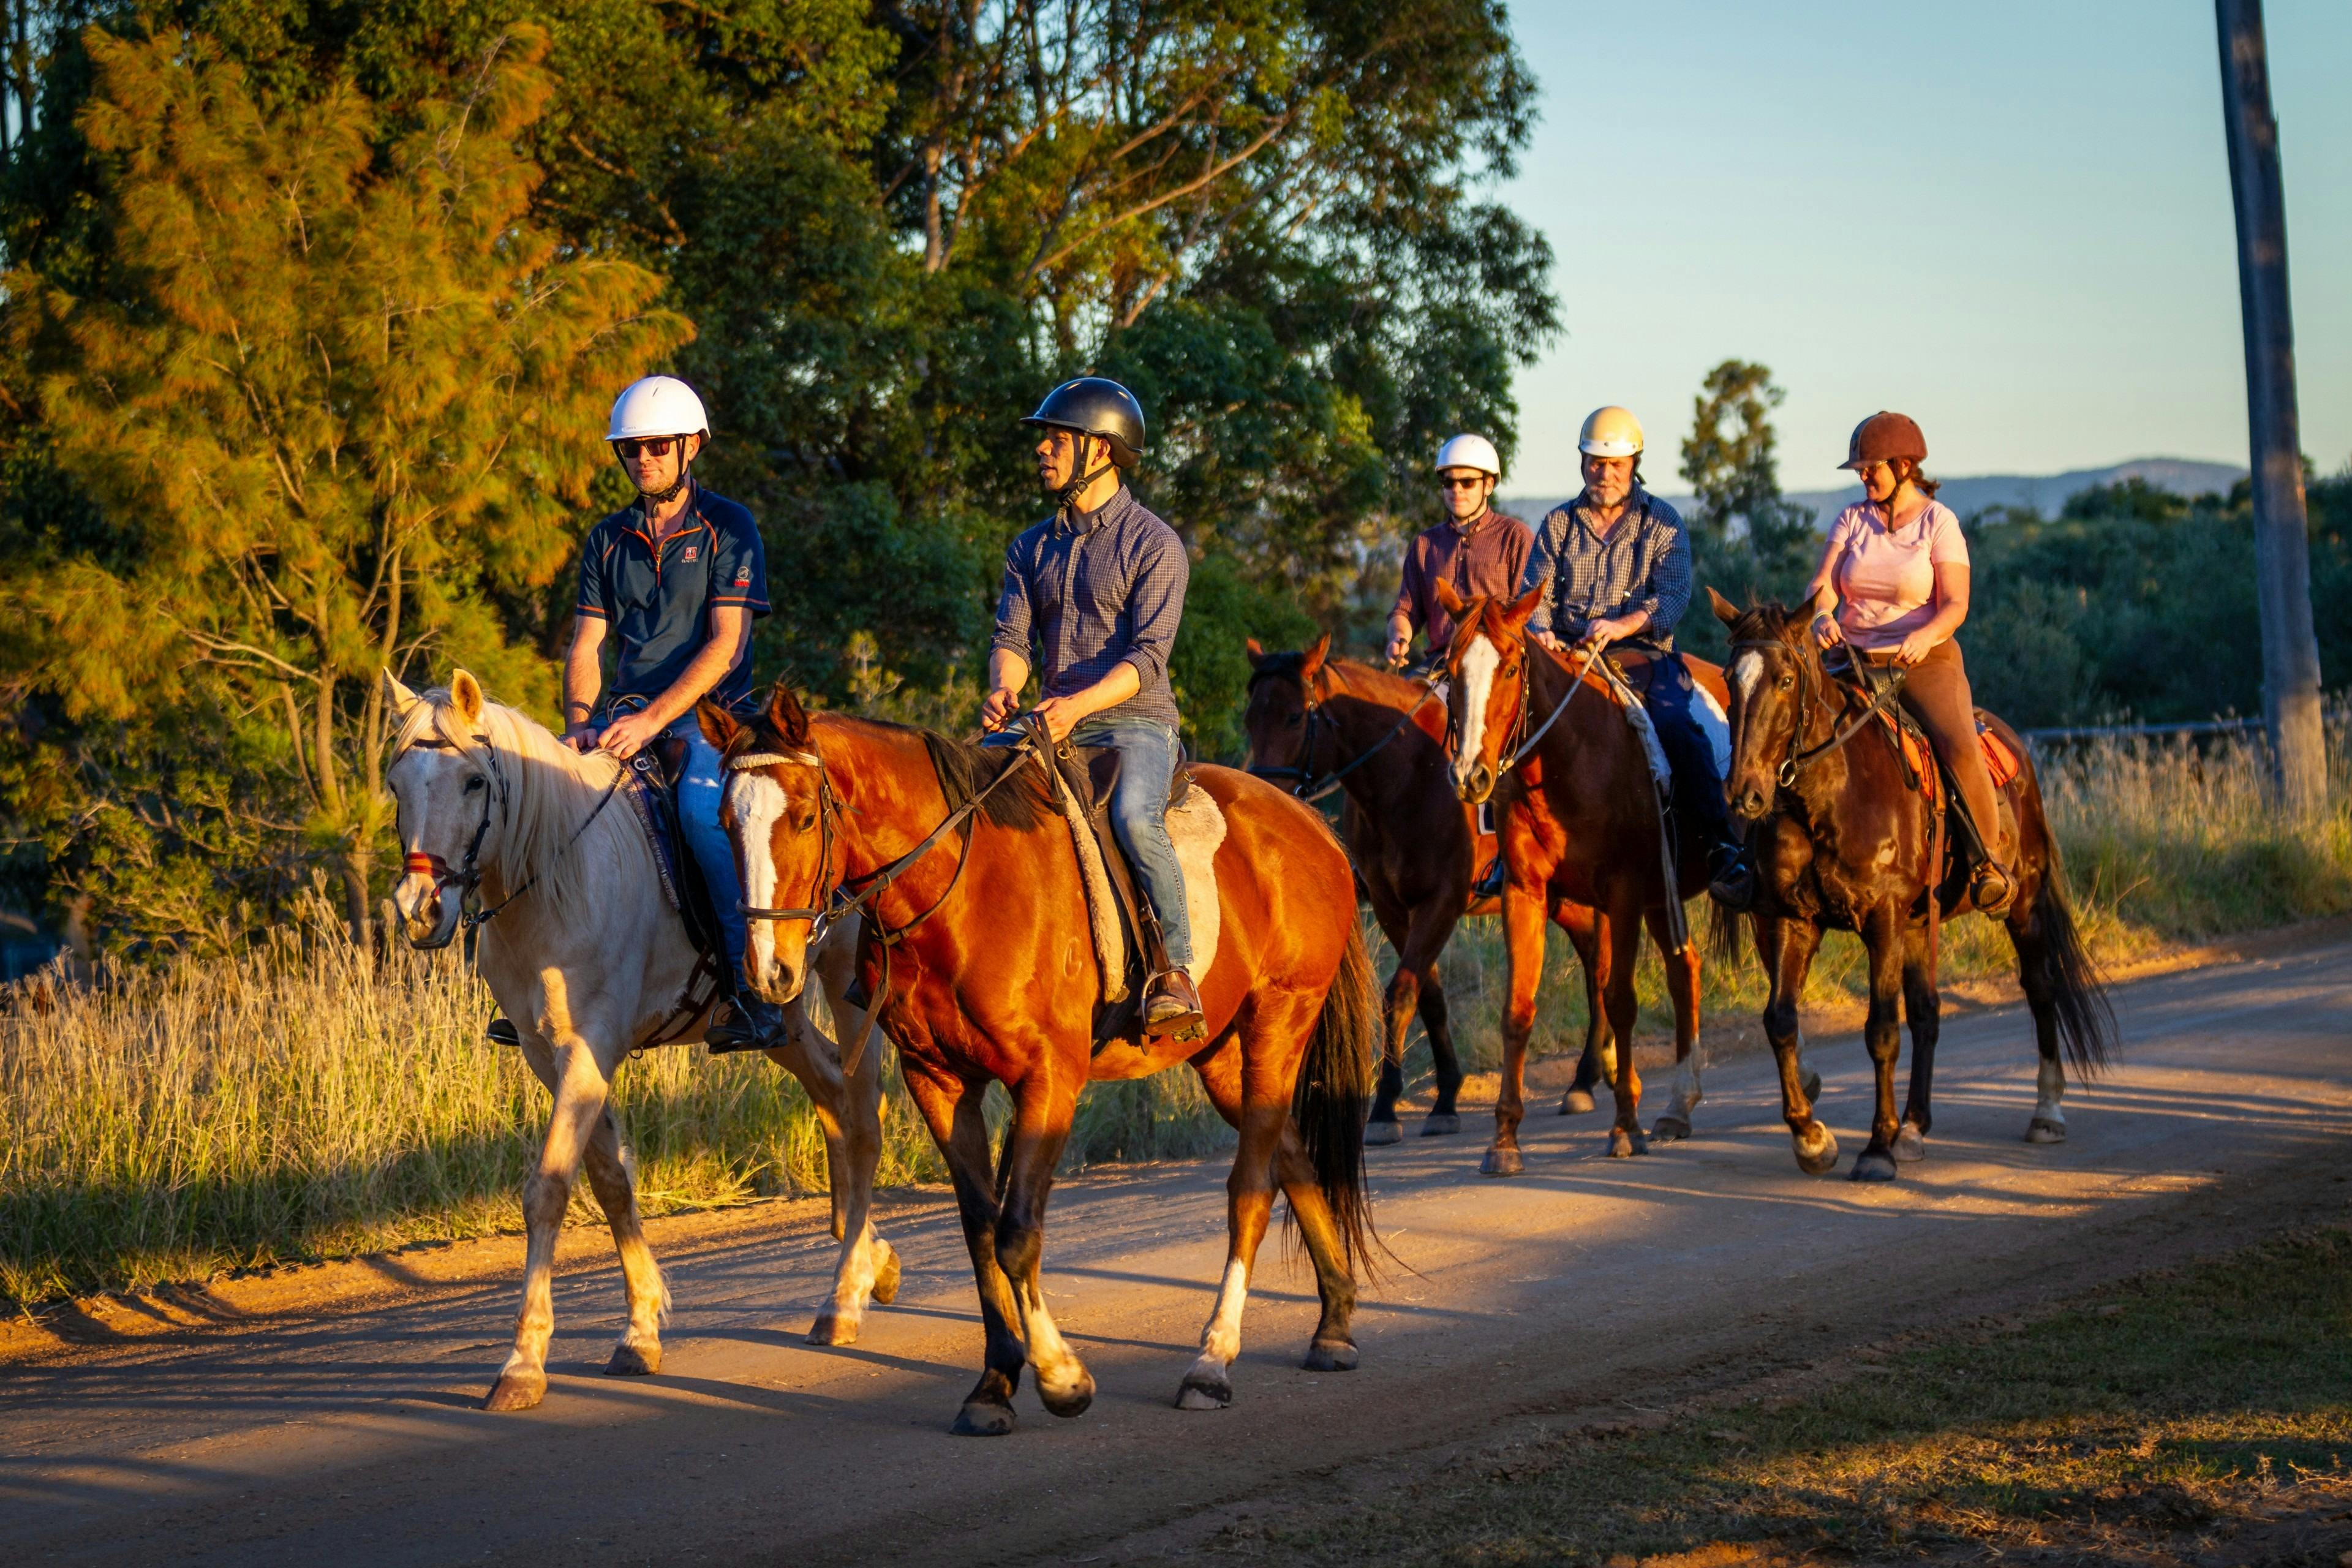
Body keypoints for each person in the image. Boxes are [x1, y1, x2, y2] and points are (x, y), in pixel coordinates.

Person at [562, 374, 782, 1051]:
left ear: (691, 446)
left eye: (657, 445)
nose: (643, 459)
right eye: (630, 449)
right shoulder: (607, 539)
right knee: (546, 799)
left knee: (697, 810)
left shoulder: (729, 526)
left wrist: (653, 721)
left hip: (709, 716)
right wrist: (577, 723)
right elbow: (588, 644)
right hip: (625, 716)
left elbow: (725, 645)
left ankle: (752, 989)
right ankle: (548, 987)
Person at [983, 377, 1203, 1038]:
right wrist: (1003, 685)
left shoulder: (1155, 543)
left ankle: (1175, 970)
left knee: (1136, 819)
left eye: (1058, 439)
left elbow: (1147, 662)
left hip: (1134, 723)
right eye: (1046, 439)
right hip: (1050, 717)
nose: (1043, 451)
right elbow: (1012, 640)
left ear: (1101, 450)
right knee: (962, 792)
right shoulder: (1029, 547)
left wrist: (1073, 706)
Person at [1520, 405, 1753, 907]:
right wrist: (1544, 636)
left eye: (1616, 464)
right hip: (1568, 654)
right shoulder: (1558, 523)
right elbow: (1533, 595)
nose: (1604, 474)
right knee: (1507, 724)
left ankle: (1720, 845)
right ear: (1582, 463)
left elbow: (1671, 598)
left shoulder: (1663, 522)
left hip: (1642, 653)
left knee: (1677, 728)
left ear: (1635, 464)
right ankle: (1507, 854)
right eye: (1596, 464)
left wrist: (1623, 624)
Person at [1801, 411, 2013, 913]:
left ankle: (1989, 863)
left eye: (1870, 467)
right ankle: (1759, 866)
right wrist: (1822, 615)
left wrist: (1926, 635)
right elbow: (1822, 584)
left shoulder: (1939, 523)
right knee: (1785, 726)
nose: (1862, 476)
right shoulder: (1852, 519)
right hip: (1849, 659)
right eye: (1859, 469)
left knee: (1958, 743)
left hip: (1922, 659)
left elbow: (1956, 603)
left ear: (1902, 465)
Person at [1387, 434, 1535, 670]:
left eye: (1467, 482)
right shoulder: (1425, 544)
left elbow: (1527, 614)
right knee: (1400, 704)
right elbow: (1406, 610)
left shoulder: (1515, 537)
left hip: (1497, 665)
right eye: (1449, 483)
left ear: (1488, 485)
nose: (1456, 490)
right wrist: (1398, 637)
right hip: (1438, 664)